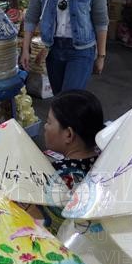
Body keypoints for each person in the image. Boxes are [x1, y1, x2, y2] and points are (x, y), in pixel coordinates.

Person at [22, 89, 103, 234]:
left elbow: (39, 221)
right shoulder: (103, 159)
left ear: (68, 134)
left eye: (49, 122)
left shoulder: (57, 176)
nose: (45, 127)